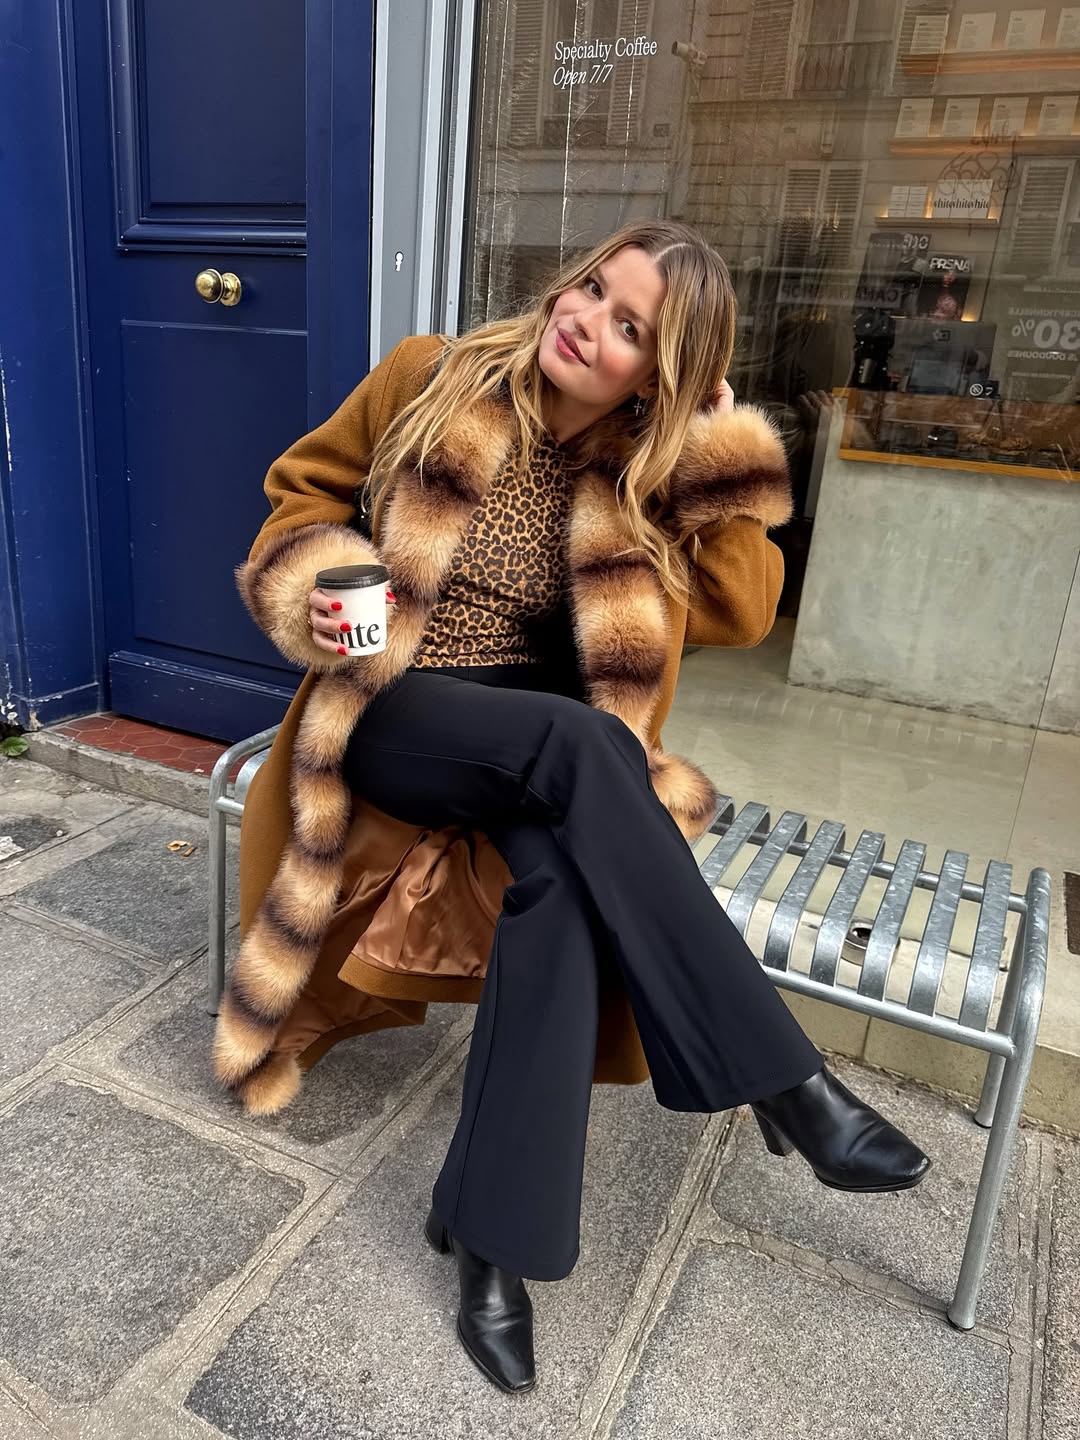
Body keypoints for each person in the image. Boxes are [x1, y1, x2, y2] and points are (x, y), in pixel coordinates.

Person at [213, 220, 930, 1395]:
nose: (586, 320)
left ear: (663, 375)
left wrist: (714, 444)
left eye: (629, 327)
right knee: (587, 745)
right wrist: (318, 574)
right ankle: (786, 1086)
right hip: (393, 708)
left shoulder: (644, 470)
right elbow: (300, 491)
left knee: (559, 889)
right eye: (595, 288)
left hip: (536, 754)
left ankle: (492, 1240)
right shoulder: (427, 372)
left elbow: (749, 610)